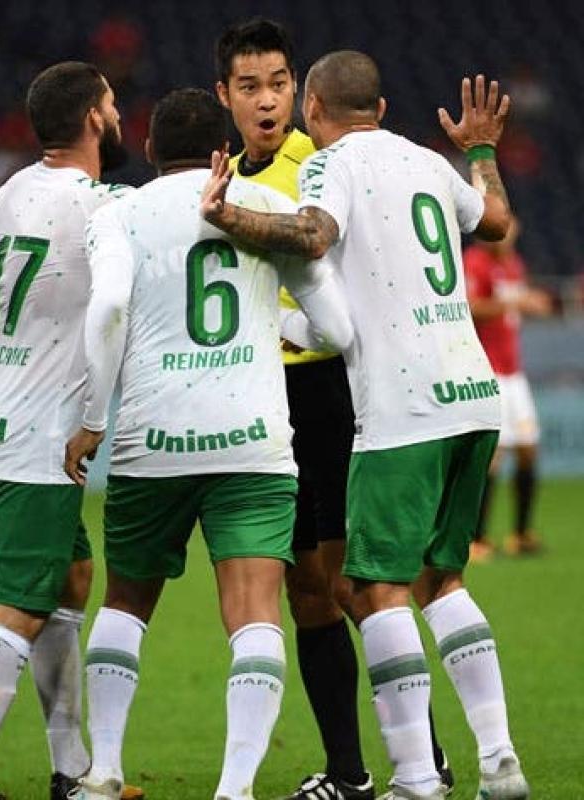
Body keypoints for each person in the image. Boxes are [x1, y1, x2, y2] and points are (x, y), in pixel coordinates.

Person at [202, 51, 528, 800]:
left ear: (312, 108)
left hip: (404, 405)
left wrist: (229, 216)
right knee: (440, 579)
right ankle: (499, 759)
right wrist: (481, 150)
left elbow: (313, 234)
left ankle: (417, 776)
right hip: (474, 394)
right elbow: (498, 221)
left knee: (374, 589)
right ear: (380, 110)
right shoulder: (428, 160)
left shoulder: (328, 165)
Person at [64, 87, 352, 800]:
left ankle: (103, 772)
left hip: (151, 440)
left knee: (125, 604)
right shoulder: (269, 206)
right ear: (223, 149)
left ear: (150, 150)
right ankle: (235, 788)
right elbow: (337, 329)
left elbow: (107, 306)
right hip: (252, 442)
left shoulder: (120, 213)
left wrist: (94, 417)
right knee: (254, 614)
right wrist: (278, 328)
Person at [0, 60, 146, 800]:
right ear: (92, 118)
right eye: (111, 104)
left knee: (70, 578)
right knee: (22, 602)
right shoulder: (102, 206)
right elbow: (111, 309)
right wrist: (77, 409)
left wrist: (9, 373)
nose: (118, 115)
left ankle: (72, 769)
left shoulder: (7, 191)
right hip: (38, 437)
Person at [463, 217, 551, 560]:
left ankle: (521, 533)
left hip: (514, 372)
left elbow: (511, 312)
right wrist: (517, 303)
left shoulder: (514, 264)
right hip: (487, 371)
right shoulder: (475, 262)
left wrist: (528, 304)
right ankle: (477, 539)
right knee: (492, 456)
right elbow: (470, 307)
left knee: (528, 449)